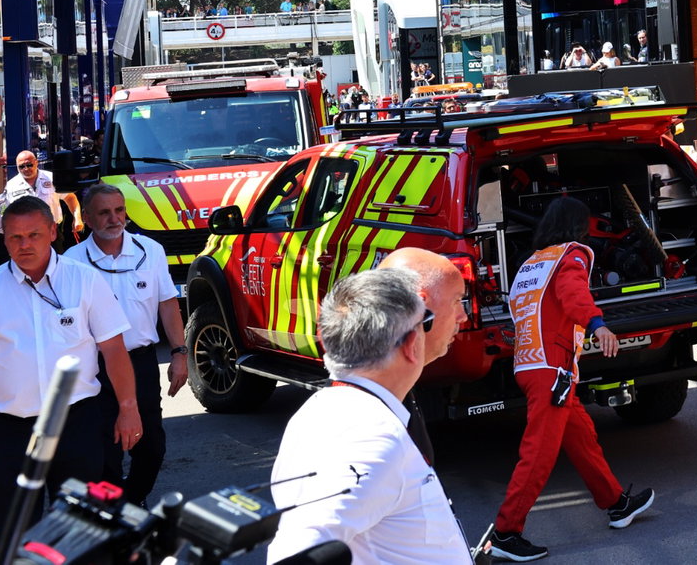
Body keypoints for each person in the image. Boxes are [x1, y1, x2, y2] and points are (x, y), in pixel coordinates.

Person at [488, 197, 654, 562]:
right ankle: (506, 532)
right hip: (552, 370)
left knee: (582, 438)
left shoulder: (530, 264)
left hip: (532, 367)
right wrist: (598, 323)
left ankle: (616, 503)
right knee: (538, 455)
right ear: (577, 226)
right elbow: (572, 294)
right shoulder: (571, 254)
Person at [266, 269, 468, 565]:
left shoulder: (326, 409)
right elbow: (299, 548)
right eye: (425, 322)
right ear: (411, 345)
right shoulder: (371, 436)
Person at [0, 196, 139, 546]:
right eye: (15, 237)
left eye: (34, 235)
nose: (25, 244)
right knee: (13, 530)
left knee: (78, 529)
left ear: (52, 232)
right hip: (8, 429)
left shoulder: (84, 280)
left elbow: (114, 349)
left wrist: (129, 409)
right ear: (4, 239)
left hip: (76, 424)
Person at [72, 184, 187, 504]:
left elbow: (168, 304)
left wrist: (180, 353)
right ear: (88, 218)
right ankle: (114, 510)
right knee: (103, 450)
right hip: (93, 368)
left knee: (151, 447)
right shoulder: (71, 261)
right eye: (104, 212)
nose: (114, 219)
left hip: (140, 362)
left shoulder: (151, 250)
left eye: (119, 210)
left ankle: (133, 499)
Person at [378, 246, 468, 464]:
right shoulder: (366, 425)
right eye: (456, 301)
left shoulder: (393, 390)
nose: (463, 316)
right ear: (419, 307)